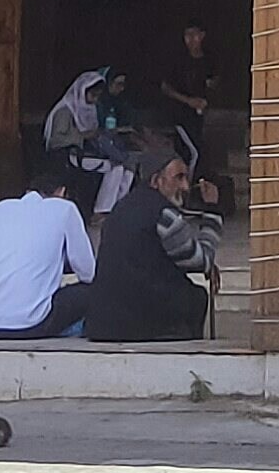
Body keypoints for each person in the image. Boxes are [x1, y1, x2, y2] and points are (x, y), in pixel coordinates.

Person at [84, 146, 222, 344]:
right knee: (195, 297)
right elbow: (201, 261)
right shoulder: (164, 215)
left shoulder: (120, 208)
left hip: (104, 325)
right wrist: (212, 212)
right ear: (156, 181)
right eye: (179, 178)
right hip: (141, 324)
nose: (185, 186)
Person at [0, 167, 97, 340]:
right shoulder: (65, 208)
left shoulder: (0, 209)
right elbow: (88, 272)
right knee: (91, 291)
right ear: (62, 192)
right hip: (30, 325)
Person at [158, 21, 241, 214]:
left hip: (198, 118)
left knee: (198, 154)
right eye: (187, 36)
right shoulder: (179, 60)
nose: (191, 40)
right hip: (180, 117)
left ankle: (193, 196)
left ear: (202, 36)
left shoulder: (208, 60)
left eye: (194, 35)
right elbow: (166, 87)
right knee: (194, 153)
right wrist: (188, 101)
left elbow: (213, 82)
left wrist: (208, 93)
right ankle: (183, 197)